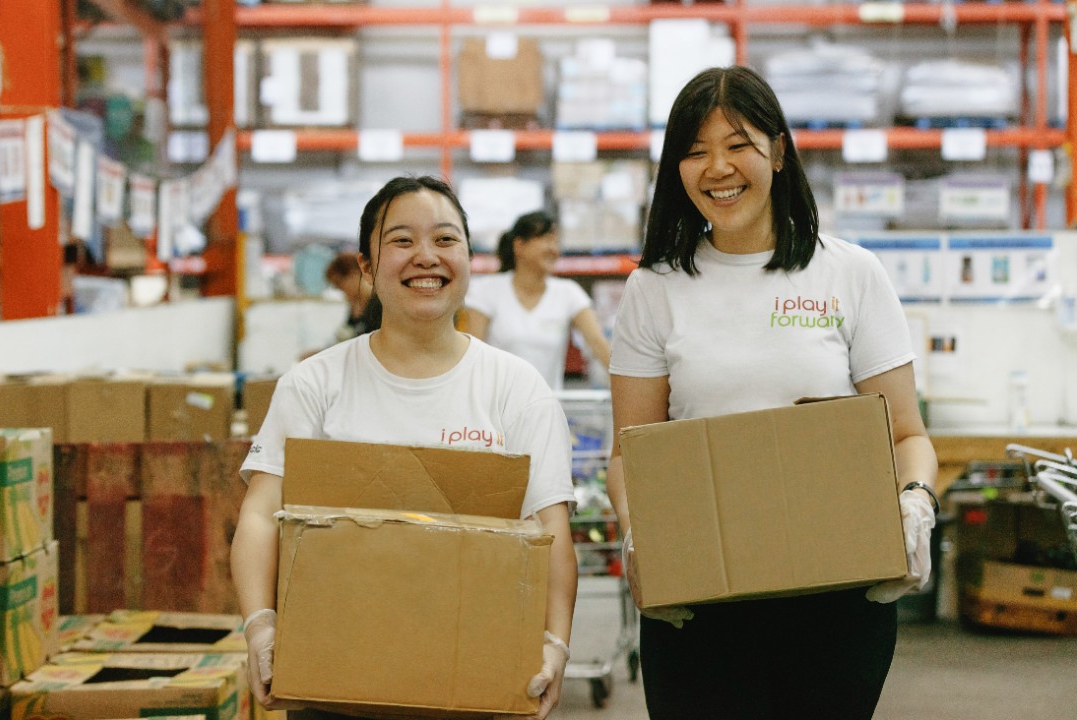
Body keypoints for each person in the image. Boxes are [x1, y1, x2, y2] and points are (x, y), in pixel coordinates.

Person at [606, 66, 938, 719]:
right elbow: (629, 453)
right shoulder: (655, 289)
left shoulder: (849, 273)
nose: (717, 167)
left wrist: (914, 504)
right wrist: (640, 535)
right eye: (694, 151)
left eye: (737, 145)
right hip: (698, 601)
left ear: (779, 151)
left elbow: (907, 434)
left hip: (835, 597)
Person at [232, 176, 578, 720]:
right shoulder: (316, 383)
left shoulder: (516, 387)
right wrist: (260, 625)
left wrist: (555, 643)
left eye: (445, 240)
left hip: (476, 688)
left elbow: (551, 528)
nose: (426, 257)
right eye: (401, 241)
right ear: (367, 267)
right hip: (335, 689)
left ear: (469, 258)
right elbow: (258, 514)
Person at [464, 211, 611, 390]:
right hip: (496, 411)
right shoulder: (486, 291)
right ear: (519, 246)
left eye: (556, 242)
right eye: (546, 239)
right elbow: (471, 356)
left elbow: (598, 344)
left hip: (547, 410)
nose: (554, 249)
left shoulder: (568, 292)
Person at [324, 252, 374, 341]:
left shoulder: (380, 302)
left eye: (339, 283)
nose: (341, 290)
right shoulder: (357, 302)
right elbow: (347, 333)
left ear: (353, 274)